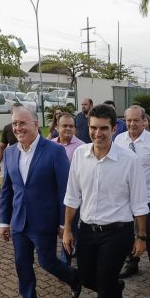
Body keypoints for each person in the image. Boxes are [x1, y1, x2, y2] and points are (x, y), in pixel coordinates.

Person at [63, 104, 149, 298]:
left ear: (114, 129)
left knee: (103, 285)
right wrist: (67, 230)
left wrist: (141, 236)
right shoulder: (80, 156)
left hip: (117, 233)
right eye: (93, 128)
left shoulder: (129, 161)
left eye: (103, 128)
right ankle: (116, 287)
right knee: (87, 278)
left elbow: (139, 203)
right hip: (87, 231)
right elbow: (72, 197)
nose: (97, 133)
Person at [0, 107, 82, 298]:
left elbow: (65, 190)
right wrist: (4, 221)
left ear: (36, 124)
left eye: (22, 123)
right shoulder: (10, 152)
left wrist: (64, 224)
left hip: (44, 220)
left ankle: (74, 278)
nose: (18, 128)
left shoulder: (54, 151)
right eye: (15, 124)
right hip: (19, 221)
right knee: (22, 264)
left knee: (47, 262)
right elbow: (7, 190)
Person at [115, 106, 150, 277]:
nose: (132, 124)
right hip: (124, 194)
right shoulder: (119, 140)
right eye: (129, 120)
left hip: (146, 194)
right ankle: (133, 263)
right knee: (129, 228)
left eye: (136, 120)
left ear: (144, 121)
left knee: (143, 227)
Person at [52, 112, 85, 264]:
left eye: (71, 126)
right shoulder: (50, 145)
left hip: (72, 199)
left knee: (69, 228)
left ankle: (66, 264)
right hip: (53, 197)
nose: (68, 129)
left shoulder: (82, 148)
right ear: (57, 127)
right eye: (64, 125)